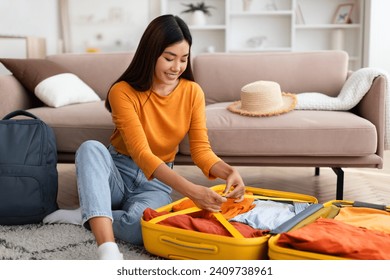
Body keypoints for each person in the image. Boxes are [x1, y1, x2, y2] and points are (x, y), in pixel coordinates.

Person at [44, 14, 245, 260]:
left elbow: (201, 150)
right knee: (90, 148)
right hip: (117, 172)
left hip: (156, 183)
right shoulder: (123, 91)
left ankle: (92, 213)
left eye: (183, 59)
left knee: (142, 227)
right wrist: (192, 191)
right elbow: (141, 153)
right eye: (169, 58)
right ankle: (107, 250)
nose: (177, 67)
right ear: (151, 53)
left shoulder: (192, 92)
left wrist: (228, 172)